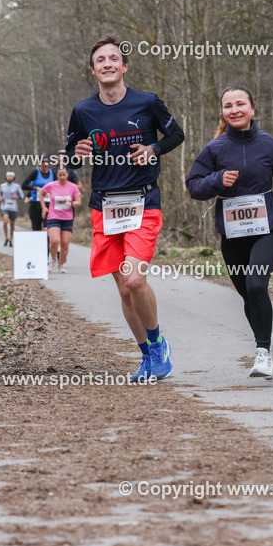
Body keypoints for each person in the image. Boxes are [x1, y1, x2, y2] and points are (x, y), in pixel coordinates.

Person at [65, 34, 185, 382]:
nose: (107, 64)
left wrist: (153, 149)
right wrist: (77, 154)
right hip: (106, 205)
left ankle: (158, 342)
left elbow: (176, 135)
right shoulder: (83, 111)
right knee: (122, 289)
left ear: (124, 66)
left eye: (113, 59)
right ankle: (148, 357)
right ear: (93, 70)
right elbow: (70, 152)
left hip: (143, 201)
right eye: (100, 60)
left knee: (134, 280)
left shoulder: (147, 102)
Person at [186, 85, 273, 379]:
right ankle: (267, 341)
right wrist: (218, 179)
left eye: (240, 104)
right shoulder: (215, 148)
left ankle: (262, 354)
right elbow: (194, 186)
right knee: (248, 295)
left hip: (265, 230)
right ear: (223, 112)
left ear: (252, 109)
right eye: (228, 106)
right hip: (232, 236)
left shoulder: (268, 143)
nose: (234, 110)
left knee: (257, 285)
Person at [39, 167, 81, 273]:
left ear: (67, 174)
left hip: (67, 218)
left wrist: (71, 203)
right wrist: (44, 207)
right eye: (59, 175)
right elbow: (41, 194)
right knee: (54, 241)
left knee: (65, 244)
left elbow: (78, 201)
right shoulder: (51, 185)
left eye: (64, 175)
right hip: (53, 216)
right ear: (57, 175)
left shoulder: (73, 187)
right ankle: (53, 260)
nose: (62, 177)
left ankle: (61, 264)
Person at [21, 154, 55, 232]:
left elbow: (57, 186)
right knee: (37, 230)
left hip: (48, 205)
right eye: (43, 162)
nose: (45, 164)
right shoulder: (35, 172)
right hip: (35, 205)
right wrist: (35, 188)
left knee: (47, 229)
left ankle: (48, 244)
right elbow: (24, 185)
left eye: (47, 162)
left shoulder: (52, 173)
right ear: (39, 163)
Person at [0, 171, 24, 247]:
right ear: (6, 177)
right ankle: (6, 237)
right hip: (4, 206)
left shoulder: (17, 186)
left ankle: (11, 239)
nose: (9, 178)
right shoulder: (2, 186)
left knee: (12, 224)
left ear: (13, 178)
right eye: (8, 176)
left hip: (13, 207)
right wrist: (0, 197)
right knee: (5, 222)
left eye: (11, 176)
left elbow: (22, 195)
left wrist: (17, 197)